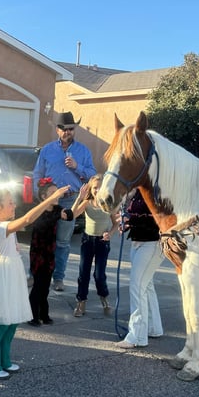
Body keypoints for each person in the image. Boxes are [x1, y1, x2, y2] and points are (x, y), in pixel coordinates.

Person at [0, 181, 70, 380]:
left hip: (12, 273)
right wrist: (53, 198)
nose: (14, 206)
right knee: (3, 320)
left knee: (12, 320)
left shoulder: (6, 228)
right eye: (10, 204)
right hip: (3, 274)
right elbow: (28, 218)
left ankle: (4, 359)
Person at [32, 111, 96, 292]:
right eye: (64, 129)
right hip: (49, 201)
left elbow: (92, 175)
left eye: (71, 129)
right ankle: (35, 274)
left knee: (62, 242)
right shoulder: (47, 150)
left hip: (70, 201)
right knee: (41, 240)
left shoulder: (83, 151)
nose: (68, 132)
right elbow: (38, 173)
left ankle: (58, 278)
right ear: (57, 129)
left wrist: (77, 167)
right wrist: (39, 194)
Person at [116, 190, 164, 349]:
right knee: (147, 285)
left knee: (137, 287)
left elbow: (158, 219)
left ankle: (137, 336)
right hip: (139, 242)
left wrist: (131, 220)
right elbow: (135, 216)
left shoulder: (155, 192)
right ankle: (154, 328)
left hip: (152, 243)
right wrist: (127, 223)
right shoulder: (137, 193)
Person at [69, 175, 118, 317]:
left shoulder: (108, 204)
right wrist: (79, 198)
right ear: (91, 188)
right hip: (87, 241)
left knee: (99, 275)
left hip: (102, 242)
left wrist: (110, 233)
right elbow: (72, 215)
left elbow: (115, 223)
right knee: (83, 273)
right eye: (95, 188)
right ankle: (81, 302)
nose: (97, 190)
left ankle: (104, 299)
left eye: (100, 187)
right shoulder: (87, 203)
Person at [27, 179, 73, 327]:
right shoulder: (38, 210)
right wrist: (58, 215)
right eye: (52, 193)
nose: (57, 195)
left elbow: (70, 215)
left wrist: (81, 199)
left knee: (45, 286)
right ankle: (32, 315)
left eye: (57, 192)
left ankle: (44, 314)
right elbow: (43, 224)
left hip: (49, 253)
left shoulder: (57, 209)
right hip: (37, 254)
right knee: (38, 286)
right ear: (43, 197)